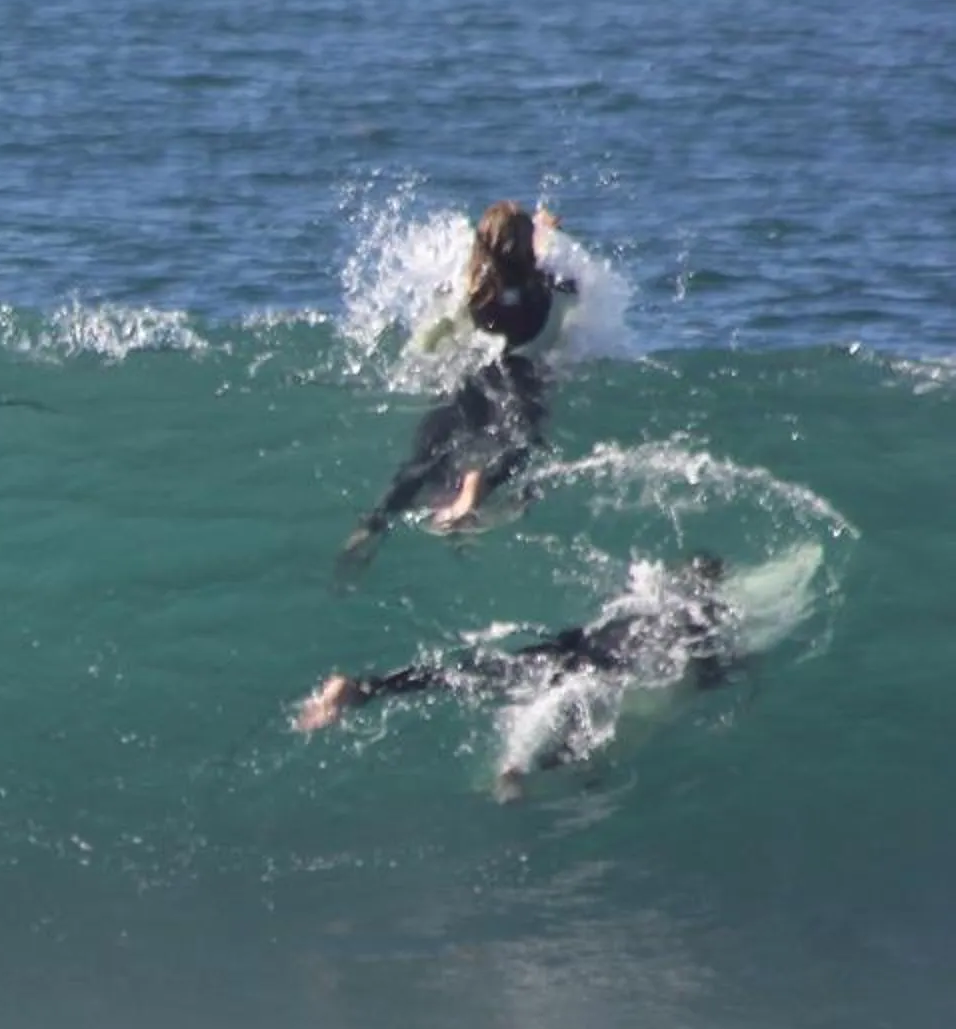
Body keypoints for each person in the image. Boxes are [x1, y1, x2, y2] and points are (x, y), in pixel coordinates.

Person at [295, 555, 733, 800]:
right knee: (580, 735)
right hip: (598, 670)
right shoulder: (695, 617)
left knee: (466, 674)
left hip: (560, 650)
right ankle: (520, 771)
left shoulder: (637, 603)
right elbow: (709, 667)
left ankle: (366, 688)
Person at [337, 201, 579, 576]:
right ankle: (473, 491)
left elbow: (426, 343)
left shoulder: (467, 293)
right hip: (524, 379)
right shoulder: (553, 287)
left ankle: (372, 526)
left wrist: (420, 366)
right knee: (518, 443)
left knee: (421, 460)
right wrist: (545, 230)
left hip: (471, 376)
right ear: (529, 246)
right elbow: (543, 265)